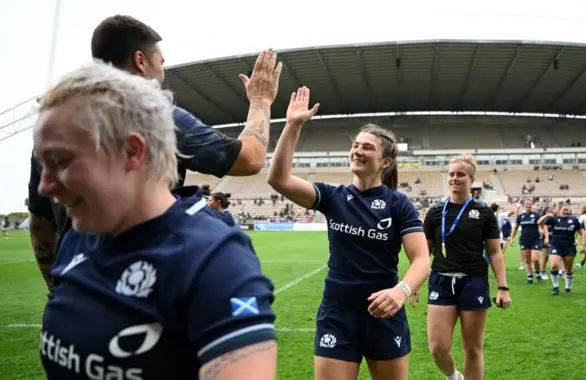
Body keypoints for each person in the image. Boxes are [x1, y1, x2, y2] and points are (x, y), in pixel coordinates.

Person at [35, 62, 277, 379]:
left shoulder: (215, 263)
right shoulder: (79, 238)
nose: (45, 187)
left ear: (132, 151)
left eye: (62, 161)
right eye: (43, 165)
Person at [28, 14, 281, 293]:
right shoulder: (157, 117)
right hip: (140, 292)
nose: (163, 71)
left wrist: (57, 286)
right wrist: (260, 101)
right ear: (140, 60)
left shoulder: (54, 126)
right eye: (161, 62)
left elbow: (41, 223)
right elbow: (250, 159)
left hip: (73, 297)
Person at [267, 87, 430, 380]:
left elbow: (421, 260)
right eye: (356, 145)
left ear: (385, 162)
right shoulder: (332, 197)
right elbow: (278, 179)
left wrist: (400, 291)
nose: (358, 150)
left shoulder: (398, 204)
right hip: (337, 312)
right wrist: (293, 125)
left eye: (368, 147)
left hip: (384, 311)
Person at [423, 154, 511, 380]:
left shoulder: (483, 212)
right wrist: (413, 284)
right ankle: (453, 377)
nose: (455, 178)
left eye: (460, 174)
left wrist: (503, 287)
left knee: (472, 348)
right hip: (441, 281)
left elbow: (494, 252)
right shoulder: (435, 212)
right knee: (437, 348)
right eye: (451, 174)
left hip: (473, 281)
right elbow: (424, 253)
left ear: (471, 179)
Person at [537, 204, 585, 295]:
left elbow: (582, 231)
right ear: (559, 210)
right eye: (564, 210)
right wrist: (547, 215)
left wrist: (583, 244)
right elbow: (539, 222)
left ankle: (568, 288)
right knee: (554, 265)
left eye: (567, 210)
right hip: (555, 245)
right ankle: (555, 287)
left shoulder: (574, 220)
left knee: (568, 269)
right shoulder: (554, 219)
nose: (566, 211)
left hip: (569, 246)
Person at [510, 199, 543, 283]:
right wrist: (511, 238)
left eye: (530, 204)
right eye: (526, 204)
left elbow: (543, 226)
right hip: (524, 240)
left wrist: (545, 235)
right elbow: (515, 227)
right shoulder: (520, 216)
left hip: (535, 239)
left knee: (535, 259)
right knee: (527, 260)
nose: (528, 205)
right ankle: (530, 276)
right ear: (524, 205)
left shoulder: (537, 215)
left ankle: (538, 274)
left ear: (532, 205)